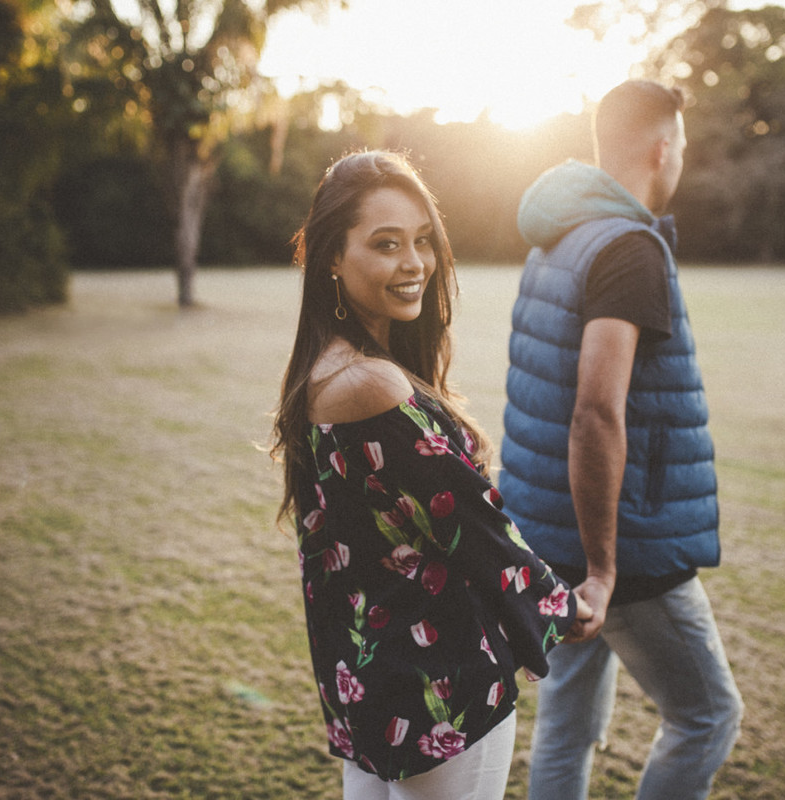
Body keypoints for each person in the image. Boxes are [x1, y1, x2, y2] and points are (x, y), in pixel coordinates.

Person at [270, 150, 592, 800]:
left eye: (422, 241)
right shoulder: (370, 384)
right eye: (386, 244)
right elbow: (471, 520)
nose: (414, 262)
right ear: (332, 255)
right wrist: (560, 603)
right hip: (437, 681)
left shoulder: (327, 367)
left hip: (368, 679)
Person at [499, 80, 744, 799]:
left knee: (567, 726)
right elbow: (595, 413)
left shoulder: (561, 235)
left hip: (552, 534)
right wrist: (604, 571)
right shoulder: (628, 247)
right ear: (663, 147)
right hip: (624, 548)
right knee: (707, 717)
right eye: (684, 150)